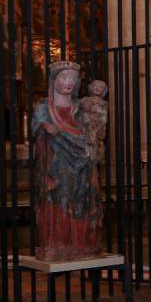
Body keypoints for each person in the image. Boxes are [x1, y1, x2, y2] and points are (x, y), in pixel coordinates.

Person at [32, 61, 102, 261]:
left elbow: (93, 130)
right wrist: (45, 125)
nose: (69, 82)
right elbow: (35, 128)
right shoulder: (44, 106)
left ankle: (82, 245)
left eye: (73, 78)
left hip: (83, 162)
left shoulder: (81, 107)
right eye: (64, 77)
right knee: (58, 200)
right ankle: (57, 245)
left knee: (82, 200)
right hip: (57, 163)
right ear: (54, 81)